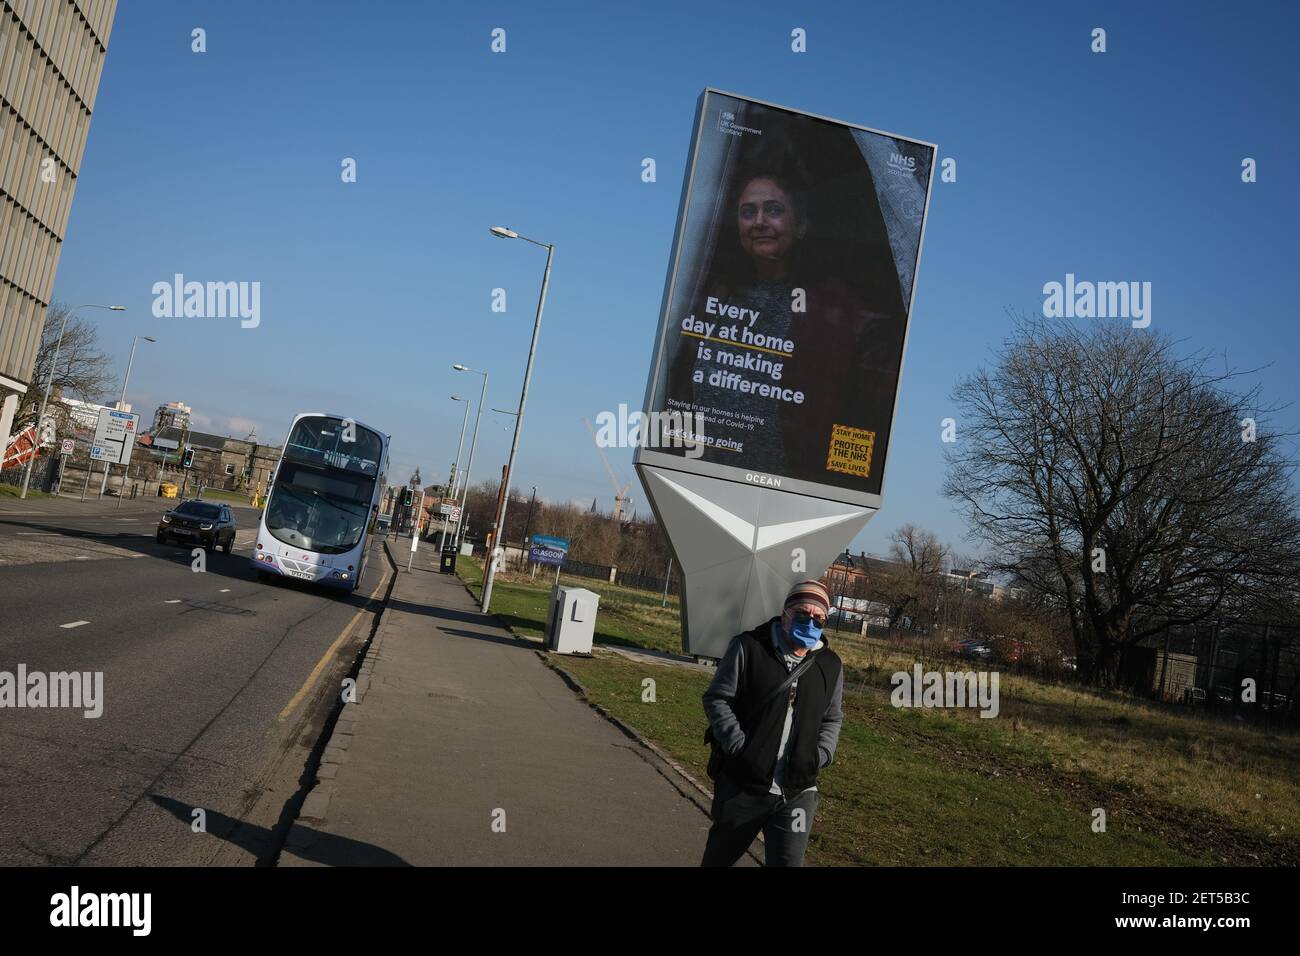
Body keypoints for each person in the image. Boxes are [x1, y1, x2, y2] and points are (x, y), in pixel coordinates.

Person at [701, 579, 845, 866]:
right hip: (745, 785)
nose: (811, 621)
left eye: (819, 617)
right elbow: (718, 698)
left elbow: (832, 717)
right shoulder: (748, 648)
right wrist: (740, 747)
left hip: (797, 792)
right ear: (785, 614)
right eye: (803, 613)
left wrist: (821, 756)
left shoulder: (829, 665)